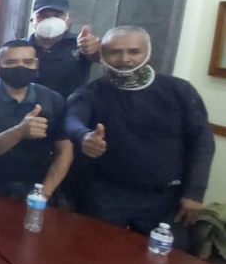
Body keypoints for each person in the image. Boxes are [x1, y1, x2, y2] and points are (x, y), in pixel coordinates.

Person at [65, 26, 214, 239]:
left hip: (166, 198)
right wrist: (83, 136)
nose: (125, 59)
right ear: (102, 55)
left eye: (134, 51)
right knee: (96, 252)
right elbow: (72, 120)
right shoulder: (89, 93)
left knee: (164, 259)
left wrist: (195, 192)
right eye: (115, 52)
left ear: (148, 53)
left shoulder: (179, 90)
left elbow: (202, 141)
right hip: (106, 195)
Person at [0, 40, 73, 200]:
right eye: (11, 62)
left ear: (36, 64)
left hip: (38, 186)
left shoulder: (53, 99)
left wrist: (43, 193)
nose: (20, 67)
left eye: (27, 62)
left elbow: (64, 150)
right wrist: (19, 132)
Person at [27, 0, 101, 99]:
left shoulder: (80, 43)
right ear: (32, 20)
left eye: (57, 15)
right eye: (43, 16)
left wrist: (97, 50)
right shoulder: (21, 48)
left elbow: (105, 60)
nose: (50, 21)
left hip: (71, 105)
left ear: (68, 18)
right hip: (30, 105)